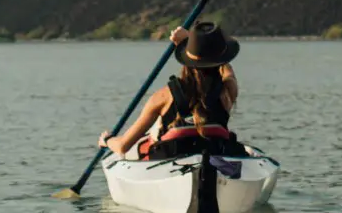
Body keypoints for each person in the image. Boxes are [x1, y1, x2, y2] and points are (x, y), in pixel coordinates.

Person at [97, 21, 248, 159]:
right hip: (216, 155)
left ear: (186, 60)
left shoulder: (164, 96)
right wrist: (192, 43)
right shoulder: (228, 91)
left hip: (172, 160)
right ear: (220, 59)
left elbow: (123, 146)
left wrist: (107, 140)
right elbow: (227, 71)